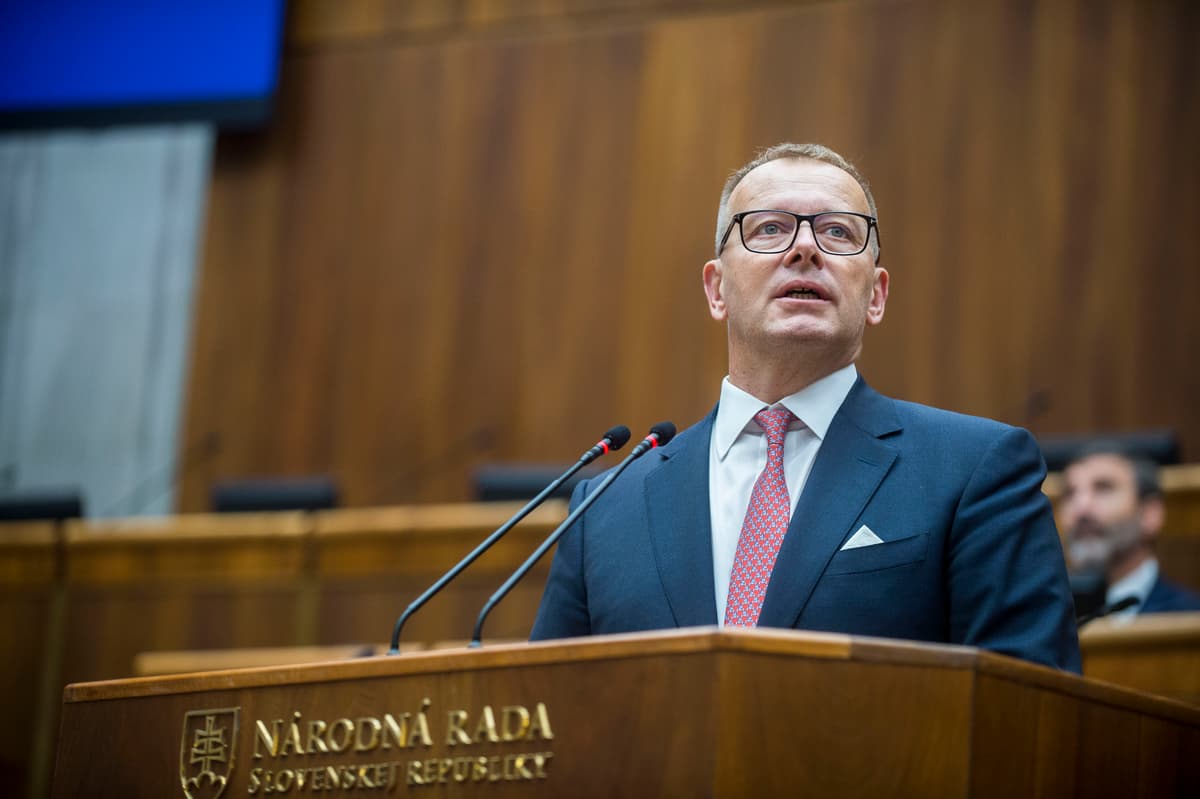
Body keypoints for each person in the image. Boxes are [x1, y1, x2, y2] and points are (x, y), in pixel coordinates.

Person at [530, 143, 1081, 672]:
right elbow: (550, 715)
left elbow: (1028, 713)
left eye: (838, 232)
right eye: (769, 228)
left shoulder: (974, 469)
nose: (804, 248)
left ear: (876, 296)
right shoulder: (603, 507)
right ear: (716, 289)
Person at [1061, 445, 1200, 616]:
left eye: (1103, 488)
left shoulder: (1189, 619)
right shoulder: (1050, 618)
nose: (1081, 508)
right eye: (1070, 493)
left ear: (1149, 513)